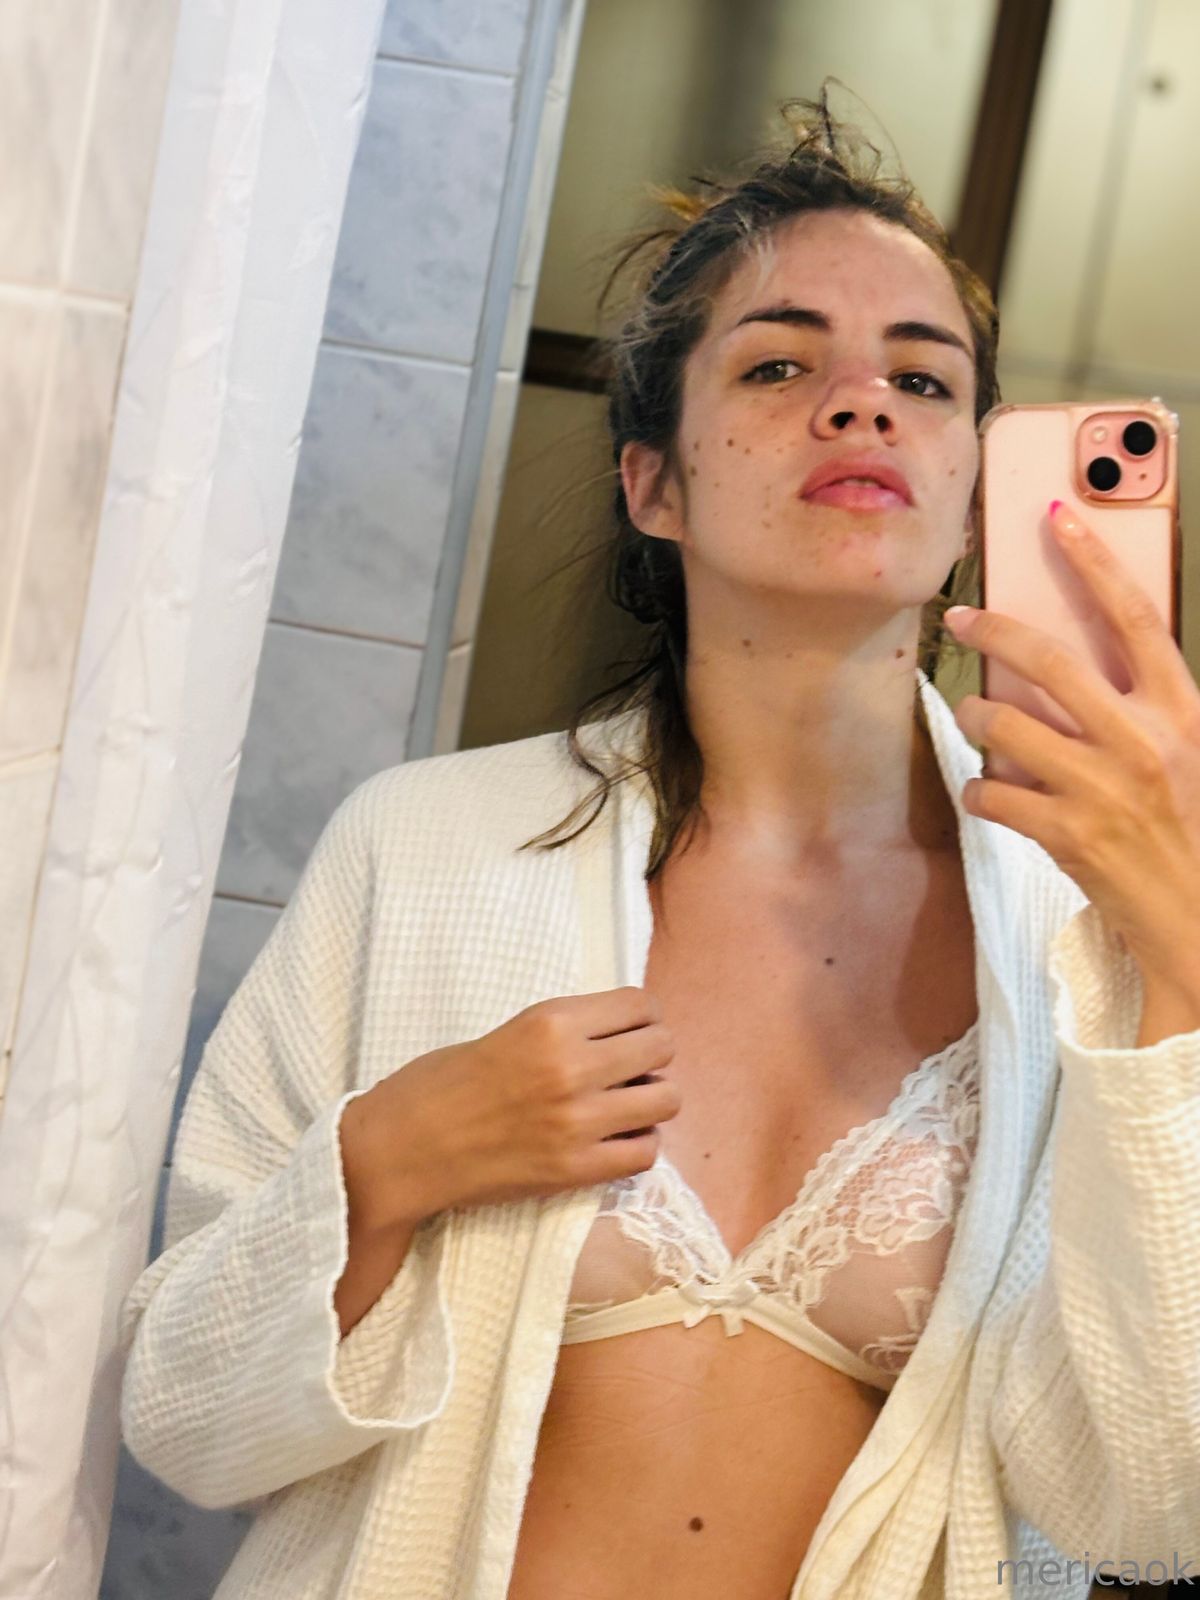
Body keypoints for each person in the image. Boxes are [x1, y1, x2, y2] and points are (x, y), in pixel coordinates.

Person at [118, 96, 1200, 1599]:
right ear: (655, 482)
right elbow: (185, 1420)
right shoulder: (423, 852)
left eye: (921, 378)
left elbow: (1151, 1501)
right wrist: (396, 1155)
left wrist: (1182, 968)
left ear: (971, 498)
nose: (862, 403)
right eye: (778, 364)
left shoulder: (1091, 934)